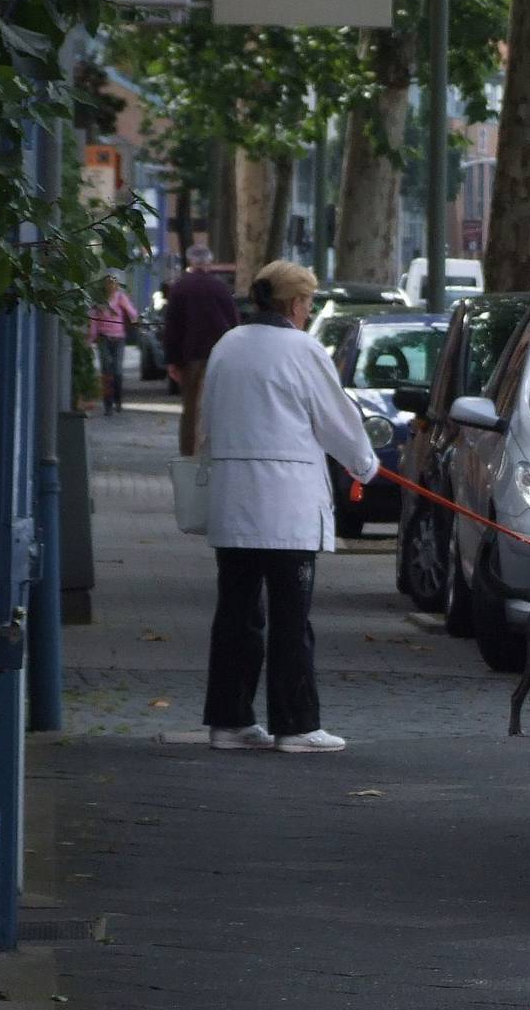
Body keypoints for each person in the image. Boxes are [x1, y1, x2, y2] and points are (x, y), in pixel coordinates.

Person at [196, 260, 378, 753]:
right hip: (287, 505)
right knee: (291, 619)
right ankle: (296, 725)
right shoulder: (303, 349)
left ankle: (229, 721)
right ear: (296, 303)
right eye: (309, 302)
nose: (309, 311)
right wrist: (365, 466)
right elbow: (337, 420)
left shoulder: (227, 345)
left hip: (233, 502)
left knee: (235, 616)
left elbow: (207, 417)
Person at [164, 244, 240, 455]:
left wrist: (172, 361)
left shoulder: (179, 287)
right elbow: (234, 322)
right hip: (220, 356)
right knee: (219, 406)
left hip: (191, 357)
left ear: (190, 261)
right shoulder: (220, 288)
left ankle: (190, 455)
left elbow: (173, 327)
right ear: (209, 262)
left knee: (191, 409)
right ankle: (218, 451)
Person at [87, 274, 139, 416]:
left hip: (119, 338)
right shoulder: (99, 301)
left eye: (113, 283)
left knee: (117, 370)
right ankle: (108, 404)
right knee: (106, 371)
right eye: (108, 283)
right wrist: (91, 338)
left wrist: (133, 317)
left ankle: (118, 399)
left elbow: (132, 312)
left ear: (116, 285)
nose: (110, 286)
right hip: (104, 338)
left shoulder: (120, 298)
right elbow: (93, 320)